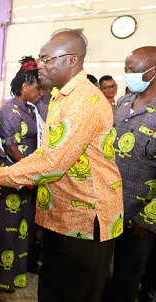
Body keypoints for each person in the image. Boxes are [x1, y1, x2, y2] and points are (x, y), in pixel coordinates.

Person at [0, 29, 123, 302]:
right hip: (63, 215)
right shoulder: (62, 97)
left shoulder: (82, 101)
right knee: (53, 290)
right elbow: (46, 154)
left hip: (86, 219)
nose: (39, 65)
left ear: (72, 60)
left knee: (74, 294)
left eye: (46, 59)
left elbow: (52, 164)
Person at [0, 56, 43, 293]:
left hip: (27, 178)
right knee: (4, 228)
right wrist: (31, 171)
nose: (40, 93)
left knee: (20, 229)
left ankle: (11, 276)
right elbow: (11, 146)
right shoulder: (9, 108)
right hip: (12, 179)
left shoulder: (31, 109)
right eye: (37, 88)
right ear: (25, 85)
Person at [102, 46, 156, 302]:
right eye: (125, 70)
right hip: (106, 206)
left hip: (138, 216)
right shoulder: (123, 104)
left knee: (126, 279)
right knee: (100, 274)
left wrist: (149, 218)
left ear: (153, 73)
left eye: (133, 71)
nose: (127, 76)